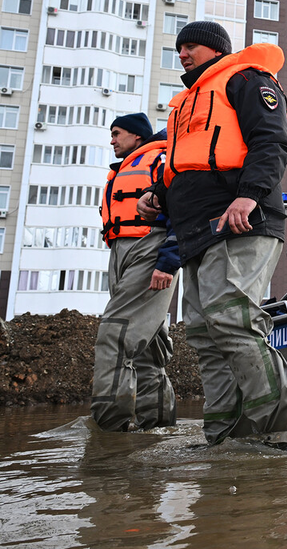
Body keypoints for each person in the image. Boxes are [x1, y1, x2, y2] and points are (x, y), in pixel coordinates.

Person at [138, 21, 287, 449]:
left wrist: (249, 196)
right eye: (179, 49)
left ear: (215, 49)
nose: (183, 55)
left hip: (241, 220)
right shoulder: (185, 105)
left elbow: (272, 142)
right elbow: (185, 162)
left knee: (232, 320)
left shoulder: (246, 80)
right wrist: (158, 194)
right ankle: (224, 436)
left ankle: (279, 430)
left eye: (191, 46)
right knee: (203, 332)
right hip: (196, 232)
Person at [91, 113, 179, 431]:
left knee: (116, 335)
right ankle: (157, 428)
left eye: (117, 133)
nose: (112, 140)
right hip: (122, 252)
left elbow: (180, 206)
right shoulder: (124, 169)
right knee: (146, 347)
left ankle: (109, 432)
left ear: (137, 136)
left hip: (148, 248)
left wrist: (167, 261)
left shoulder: (159, 159)